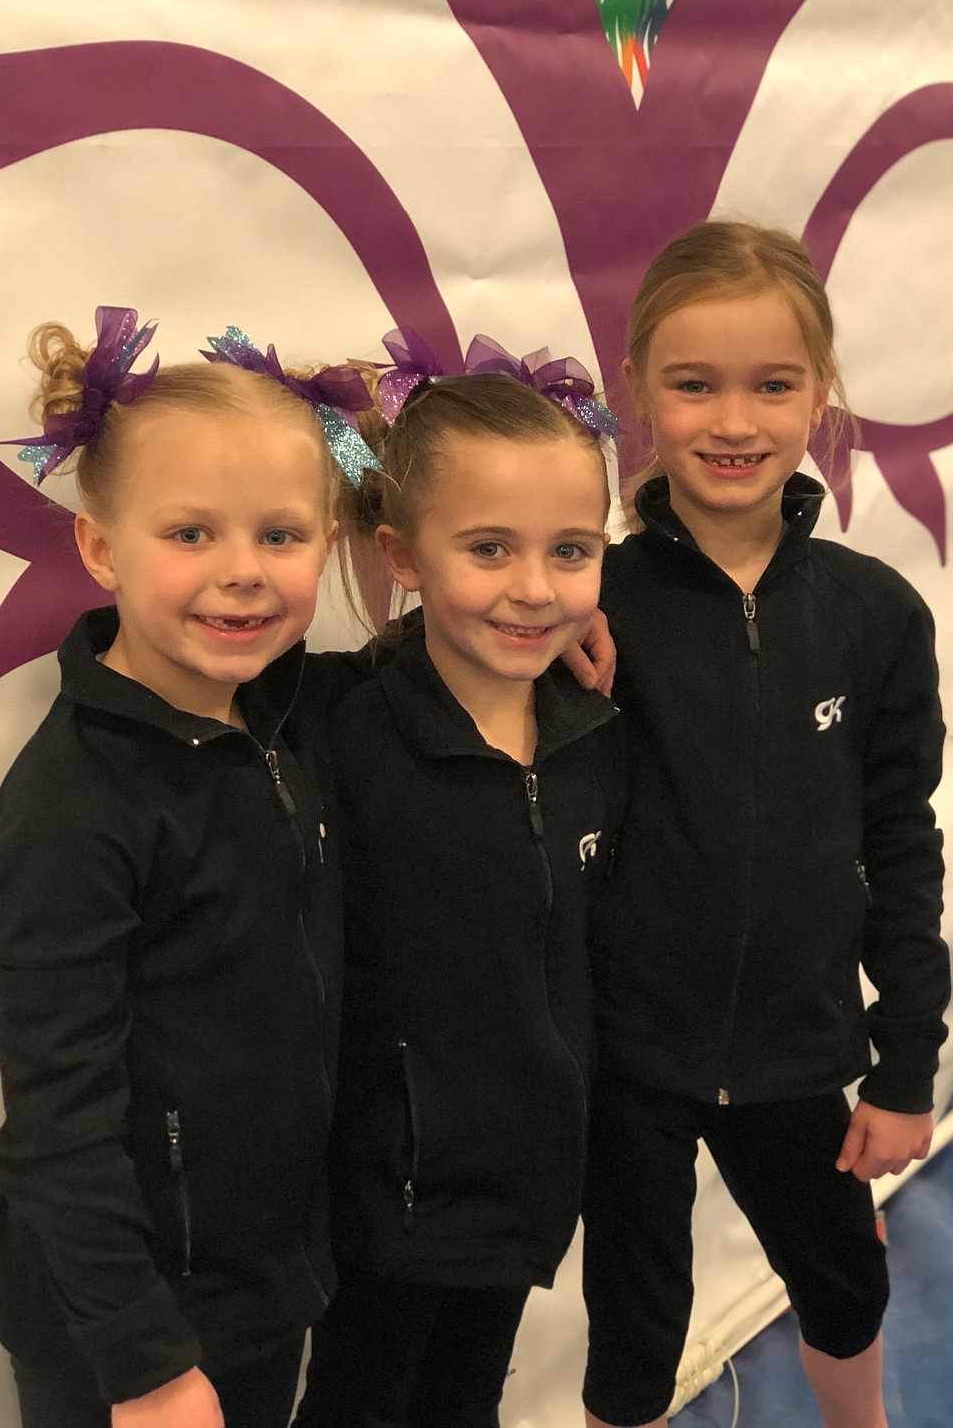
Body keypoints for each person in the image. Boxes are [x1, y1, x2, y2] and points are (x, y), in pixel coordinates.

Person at [581, 222, 950, 1428]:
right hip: (627, 1052)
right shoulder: (589, 599)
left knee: (844, 1282)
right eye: (693, 385)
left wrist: (902, 1063)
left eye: (772, 384)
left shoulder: (875, 615)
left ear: (820, 395)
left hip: (802, 1051)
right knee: (634, 1320)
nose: (732, 421)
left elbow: (901, 844)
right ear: (638, 393)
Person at [0, 308, 353, 1428]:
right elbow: (56, 1122)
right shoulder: (72, 809)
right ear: (99, 546)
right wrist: (141, 1361)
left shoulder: (297, 716)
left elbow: (381, 463)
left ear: (330, 541)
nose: (242, 574)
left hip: (261, 1284)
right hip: (121, 1330)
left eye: (283, 535)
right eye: (190, 534)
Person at [291, 355, 627, 1428]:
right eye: (489, 549)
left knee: (466, 1399)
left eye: (570, 551)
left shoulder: (598, 734)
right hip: (385, 1198)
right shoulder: (334, 725)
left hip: (525, 1186)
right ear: (403, 554)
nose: (535, 587)